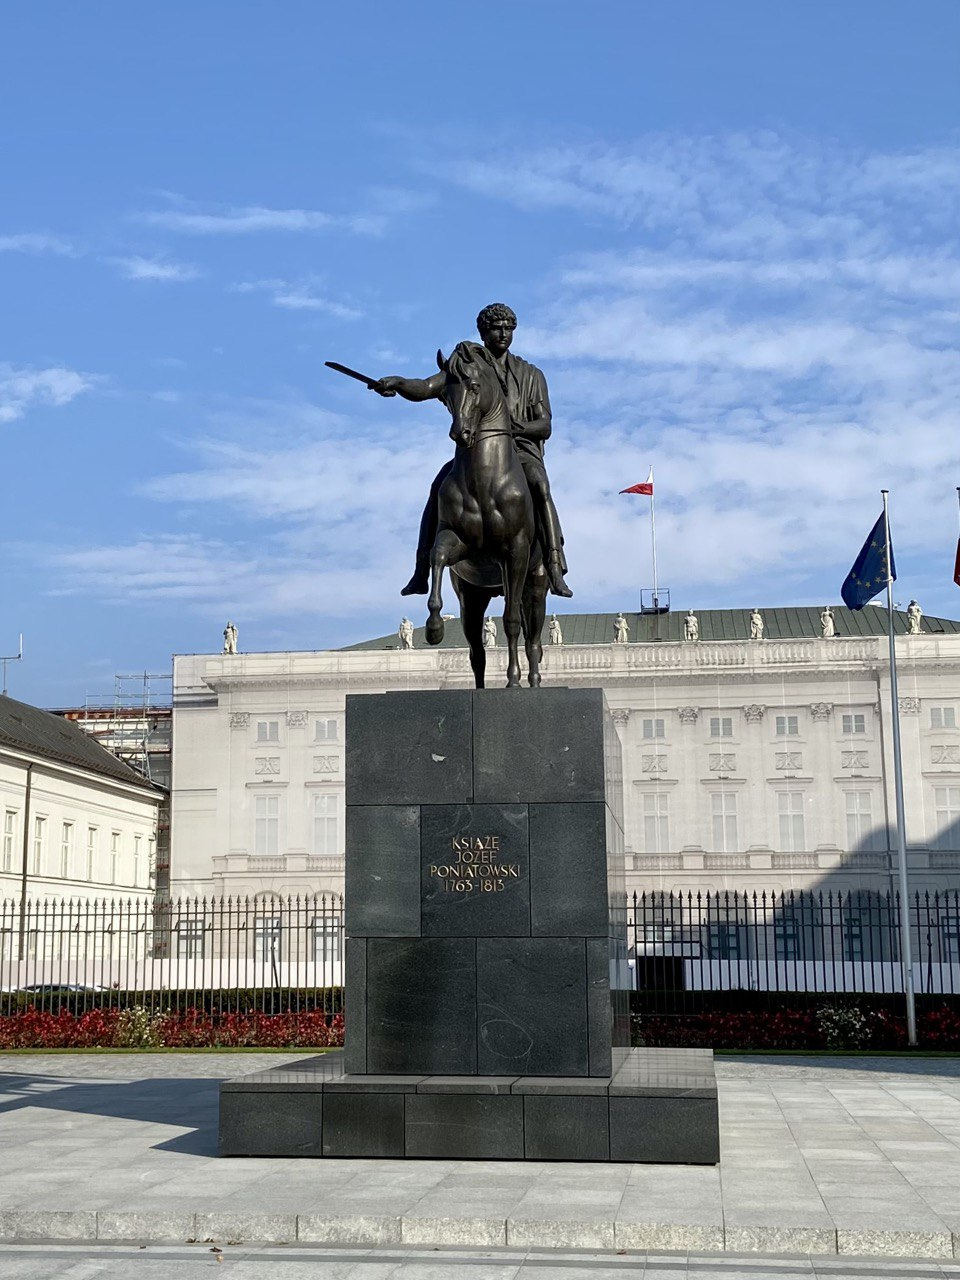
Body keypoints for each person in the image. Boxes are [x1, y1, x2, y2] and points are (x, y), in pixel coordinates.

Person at [373, 303, 572, 599]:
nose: (503, 333)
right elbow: (426, 387)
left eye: (508, 328)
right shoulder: (465, 367)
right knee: (438, 486)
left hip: (520, 452)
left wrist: (515, 428)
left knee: (540, 486)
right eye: (496, 328)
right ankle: (420, 571)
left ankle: (554, 563)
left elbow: (544, 426)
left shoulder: (531, 375)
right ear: (482, 332)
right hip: (473, 455)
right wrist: (399, 383)